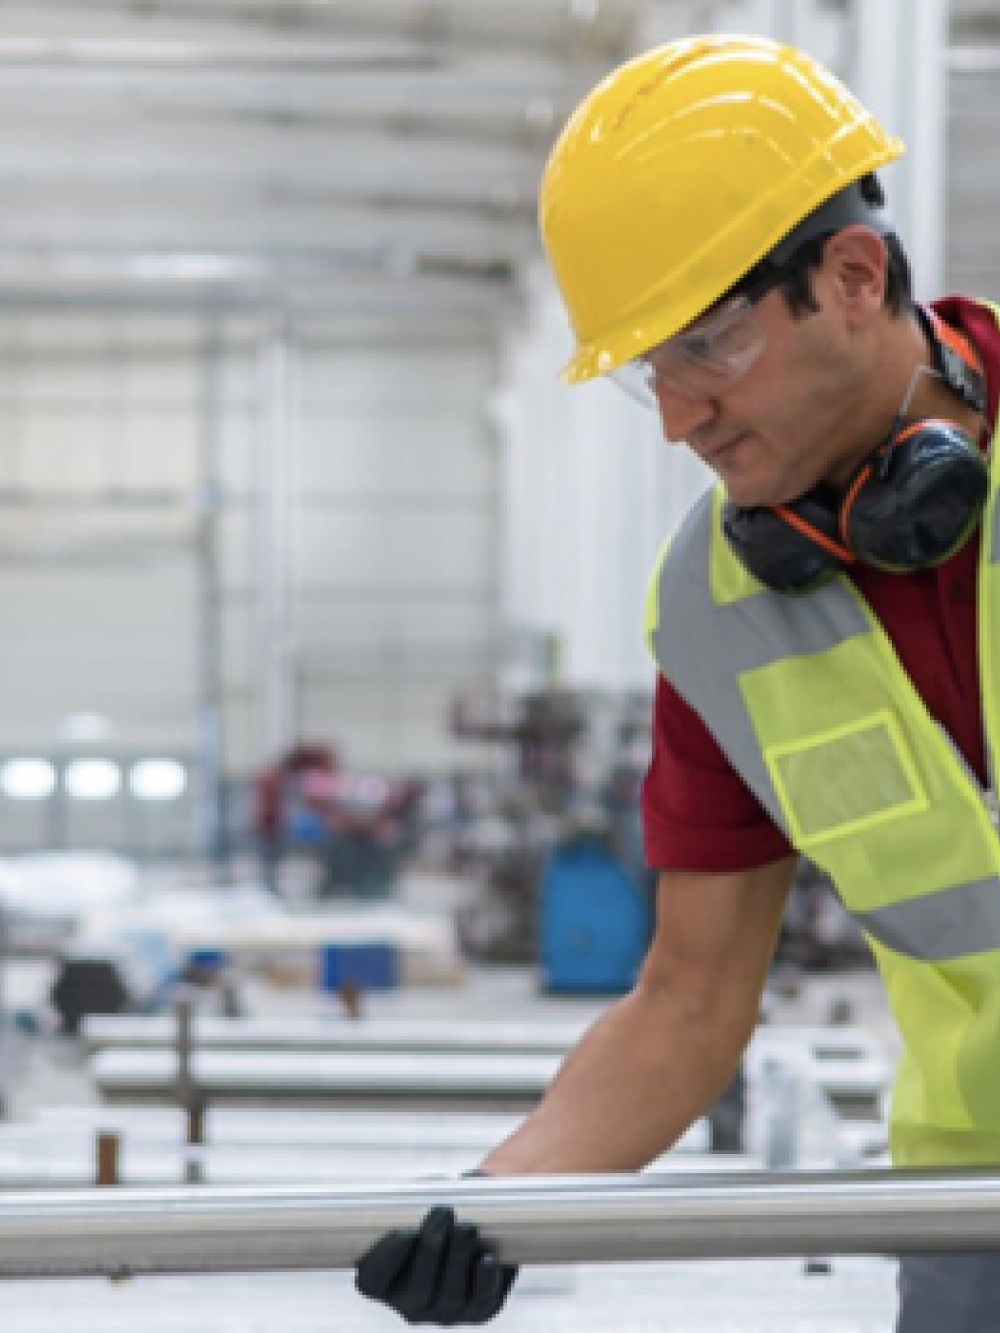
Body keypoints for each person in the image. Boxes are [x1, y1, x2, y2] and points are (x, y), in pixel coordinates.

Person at [355, 33, 1000, 1332]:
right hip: (975, 1198)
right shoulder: (718, 614)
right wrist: (497, 1201)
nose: (679, 417)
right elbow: (691, 1000)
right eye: (654, 370)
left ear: (855, 275)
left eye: (709, 346)